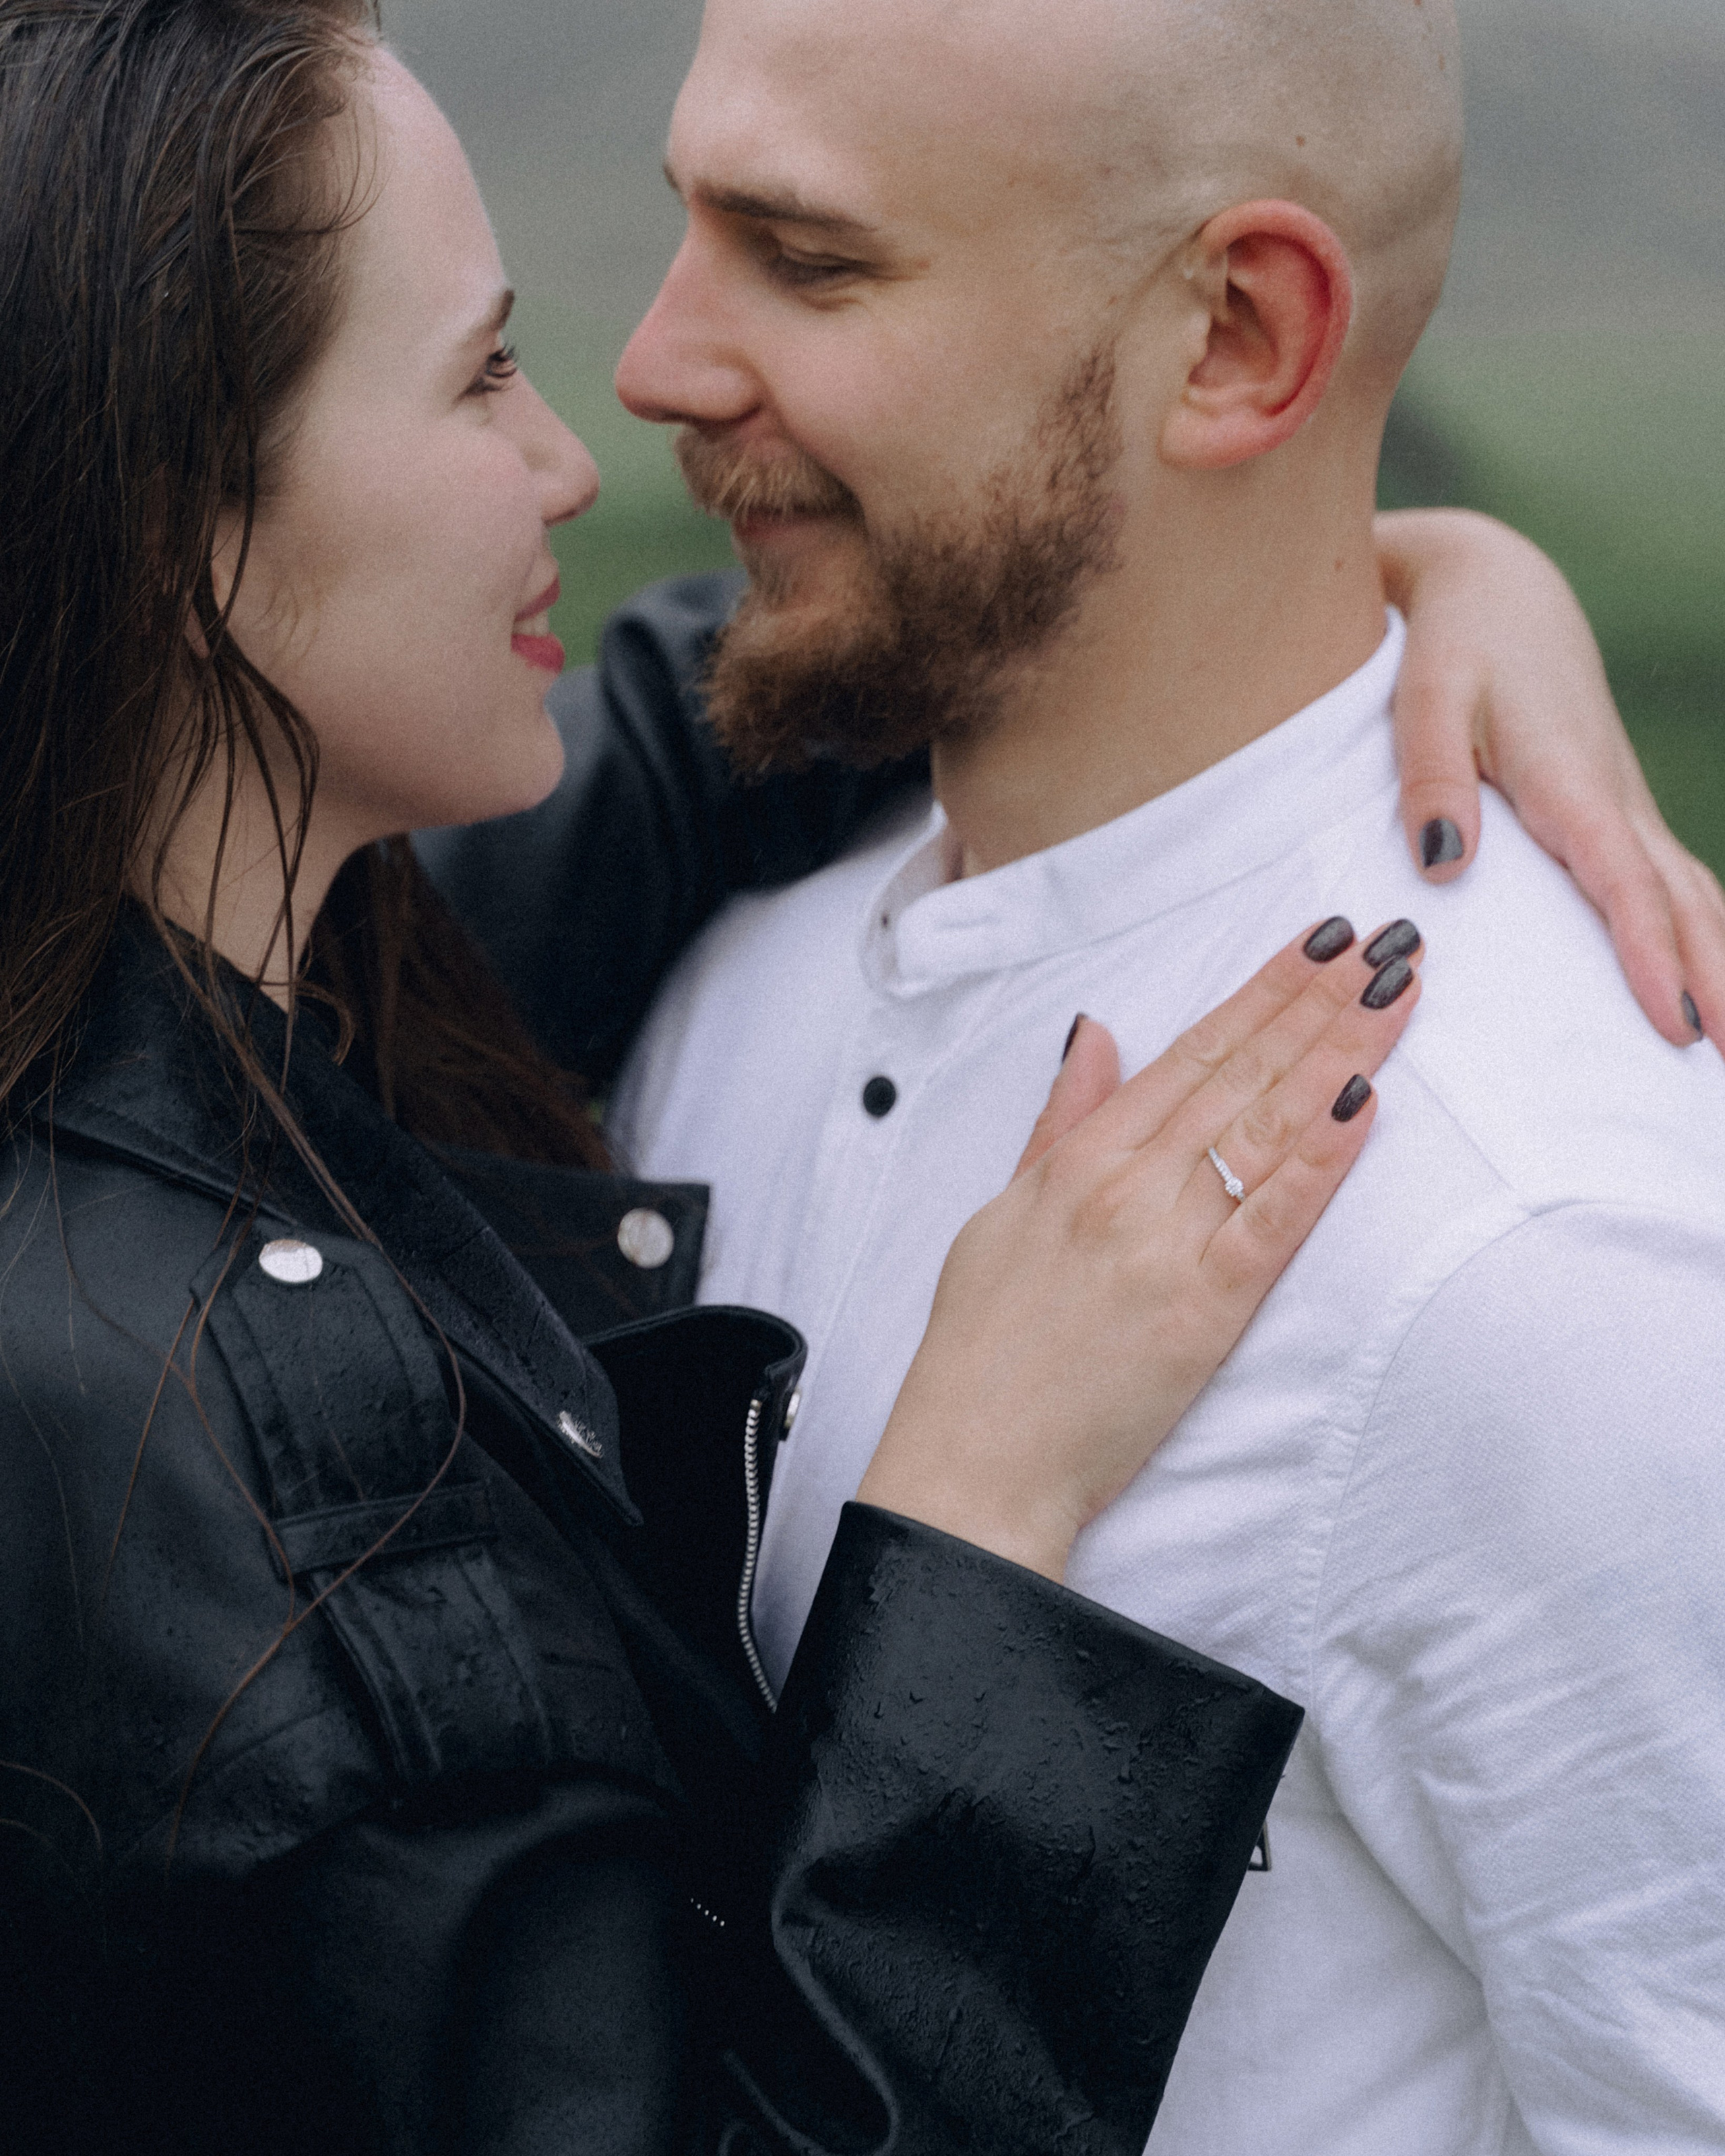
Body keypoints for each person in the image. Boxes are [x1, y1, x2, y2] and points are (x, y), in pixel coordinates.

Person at [0, 5, 1480, 2152]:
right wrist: (981, 1496)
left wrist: (1411, 585)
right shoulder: (228, 1460)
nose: (579, 446)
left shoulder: (245, 961)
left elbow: (757, 699)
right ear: (172, 530)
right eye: (480, 373)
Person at [433, 1, 1725, 2150]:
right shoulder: (721, 962)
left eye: (810, 261)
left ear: (1236, 336)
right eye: (687, 226)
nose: (650, 366)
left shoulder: (1546, 1255)